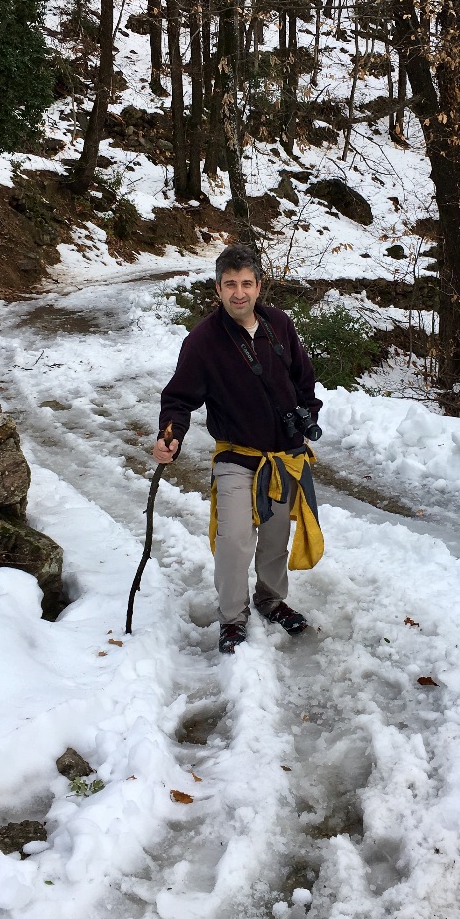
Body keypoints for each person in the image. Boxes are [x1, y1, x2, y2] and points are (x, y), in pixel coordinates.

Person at [153, 245, 324, 654]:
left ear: (258, 286)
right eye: (230, 284)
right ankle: (232, 617)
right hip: (236, 456)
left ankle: (270, 599)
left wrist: (307, 411)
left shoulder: (278, 324)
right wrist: (169, 435)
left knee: (274, 538)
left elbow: (304, 377)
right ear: (218, 289)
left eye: (247, 283)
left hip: (284, 458)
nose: (239, 292)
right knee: (233, 540)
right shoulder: (203, 341)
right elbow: (179, 398)